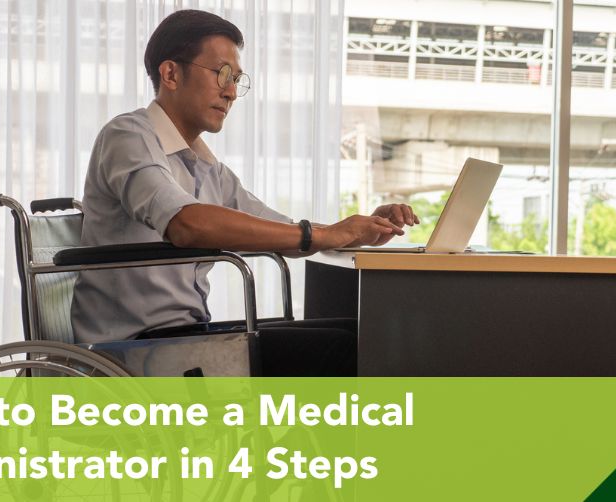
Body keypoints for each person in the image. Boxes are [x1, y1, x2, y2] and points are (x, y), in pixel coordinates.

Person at [70, 9, 418, 376]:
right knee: (345, 349)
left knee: (360, 333)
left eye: (237, 79)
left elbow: (282, 231)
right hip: (131, 351)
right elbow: (186, 225)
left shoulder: (205, 166)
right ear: (170, 73)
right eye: (221, 74)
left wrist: (357, 230)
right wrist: (324, 234)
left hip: (180, 338)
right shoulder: (128, 136)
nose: (232, 92)